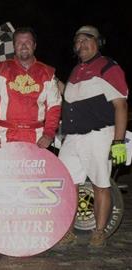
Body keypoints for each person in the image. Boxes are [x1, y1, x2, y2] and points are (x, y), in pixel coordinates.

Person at [58, 25, 129, 248]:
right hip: (72, 137)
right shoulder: (75, 71)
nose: (82, 44)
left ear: (98, 43)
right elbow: (72, 98)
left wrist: (118, 142)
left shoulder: (108, 67)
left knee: (100, 184)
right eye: (78, 41)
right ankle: (66, 232)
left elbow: (121, 105)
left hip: (99, 136)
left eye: (87, 39)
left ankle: (99, 232)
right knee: (67, 184)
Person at [0, 27, 61, 149]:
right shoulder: (1, 69)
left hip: (37, 138)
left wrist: (48, 134)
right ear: (14, 46)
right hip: (3, 136)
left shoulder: (47, 73)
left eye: (27, 42)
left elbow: (54, 107)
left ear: (34, 45)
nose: (23, 46)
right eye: (19, 43)